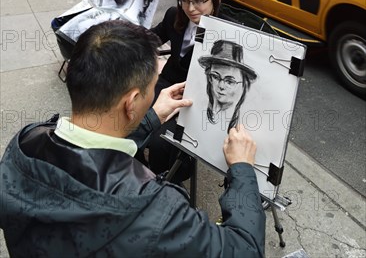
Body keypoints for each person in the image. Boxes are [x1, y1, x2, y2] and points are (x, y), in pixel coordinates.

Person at [0, 20, 266, 257]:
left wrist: (149, 119)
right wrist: (242, 170)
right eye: (152, 88)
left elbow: (87, 156)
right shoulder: (153, 209)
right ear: (131, 103)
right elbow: (245, 249)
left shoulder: (23, 145)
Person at [146, 0, 232, 179]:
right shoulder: (175, 15)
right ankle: (140, 172)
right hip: (164, 87)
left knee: (159, 143)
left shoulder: (228, 34)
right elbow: (150, 38)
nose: (190, 8)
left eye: (199, 1)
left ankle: (166, 183)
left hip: (196, 102)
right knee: (127, 118)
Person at [199, 39, 258, 131]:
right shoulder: (198, 108)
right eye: (215, 76)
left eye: (229, 81)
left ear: (244, 84)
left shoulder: (248, 123)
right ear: (209, 77)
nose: (221, 86)